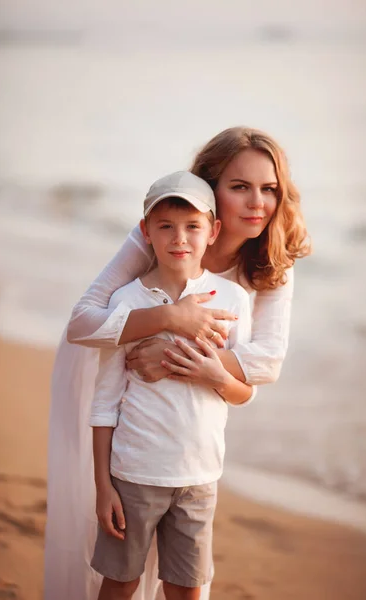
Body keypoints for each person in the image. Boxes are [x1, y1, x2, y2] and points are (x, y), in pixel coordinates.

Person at [44, 126, 311, 600]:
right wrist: (172, 317)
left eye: (269, 189)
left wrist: (171, 356)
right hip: (114, 366)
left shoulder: (273, 261)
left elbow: (266, 362)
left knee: (184, 571)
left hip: (188, 411)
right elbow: (84, 322)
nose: (257, 203)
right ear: (210, 189)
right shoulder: (164, 230)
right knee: (108, 540)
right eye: (239, 186)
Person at [90, 170, 255, 600]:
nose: (179, 238)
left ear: (213, 231)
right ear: (146, 231)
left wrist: (215, 374)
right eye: (165, 225)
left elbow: (241, 391)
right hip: (134, 473)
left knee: (187, 588)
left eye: (192, 226)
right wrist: (103, 485)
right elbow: (105, 401)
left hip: (200, 475)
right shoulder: (127, 302)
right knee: (121, 581)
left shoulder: (233, 301)